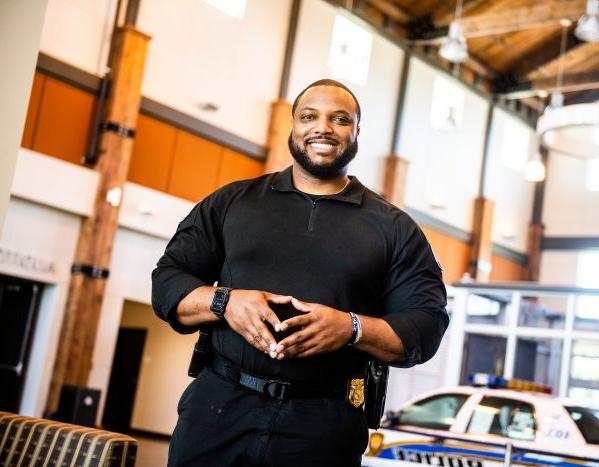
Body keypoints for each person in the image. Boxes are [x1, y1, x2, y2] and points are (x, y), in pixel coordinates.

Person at [151, 79, 448, 467]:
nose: (323, 127)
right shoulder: (232, 203)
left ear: (357, 132)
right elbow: (168, 282)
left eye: (340, 119)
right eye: (309, 116)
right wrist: (225, 302)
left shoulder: (395, 229)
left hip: (323, 427)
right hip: (219, 410)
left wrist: (351, 327)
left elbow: (425, 327)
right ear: (292, 126)